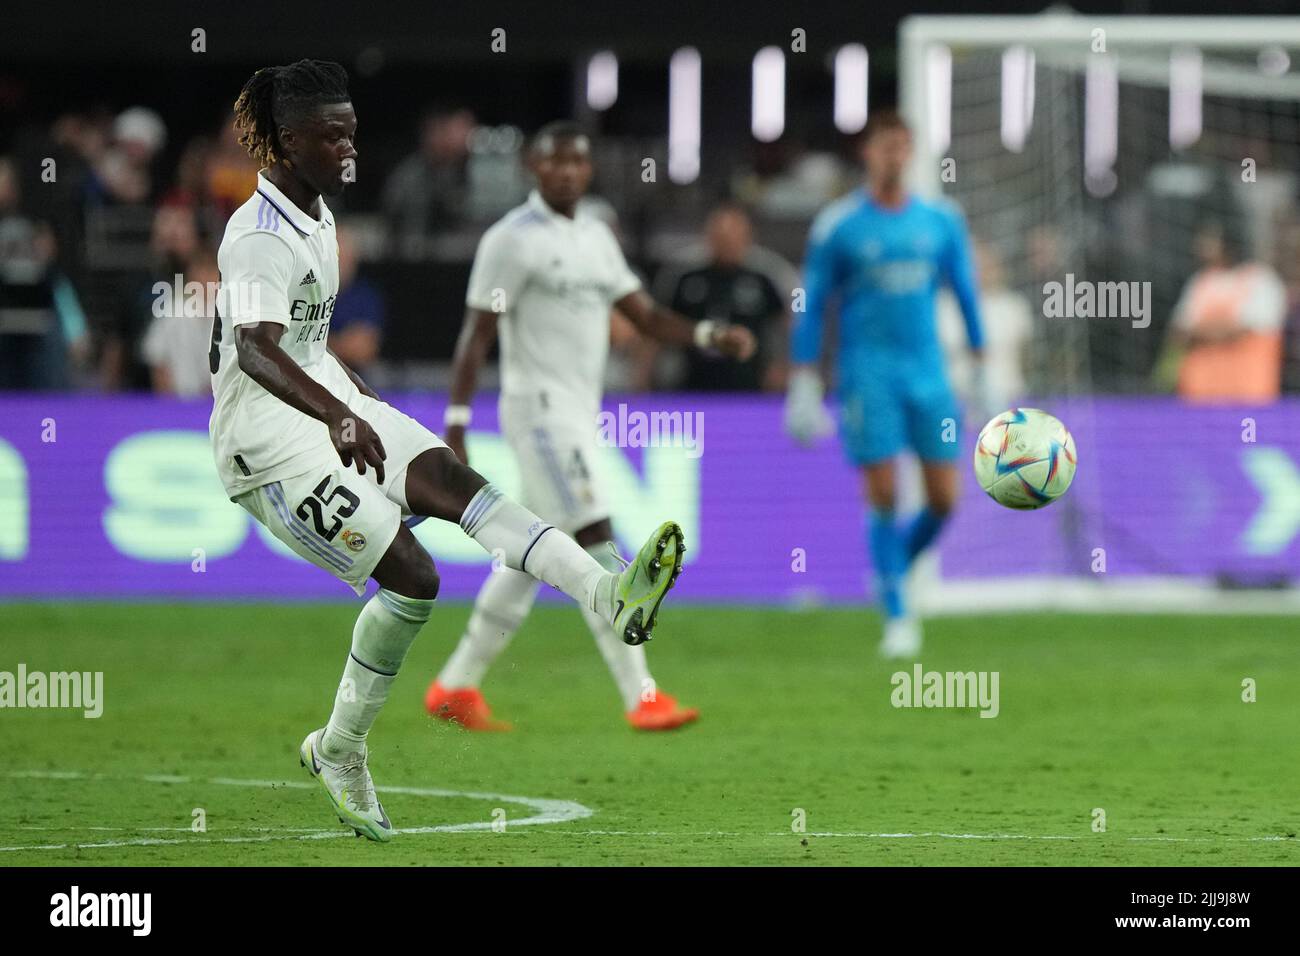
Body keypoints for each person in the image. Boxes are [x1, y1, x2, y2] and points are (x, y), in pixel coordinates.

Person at [212, 62, 686, 842]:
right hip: (266, 448)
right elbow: (257, 349)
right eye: (331, 136)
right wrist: (336, 414)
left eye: (353, 132)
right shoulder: (259, 234)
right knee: (413, 576)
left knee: (454, 479)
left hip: (332, 401)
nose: (348, 147)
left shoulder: (319, 213)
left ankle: (608, 595)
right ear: (288, 140)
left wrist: (352, 398)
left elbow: (302, 339)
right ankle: (342, 750)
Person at [424, 122, 755, 732]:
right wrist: (458, 419)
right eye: (556, 163)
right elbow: (478, 331)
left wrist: (709, 334)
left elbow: (646, 316)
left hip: (580, 415)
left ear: (589, 169)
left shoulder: (597, 237)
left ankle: (457, 685)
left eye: (578, 162)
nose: (568, 172)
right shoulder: (511, 240)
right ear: (534, 168)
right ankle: (642, 695)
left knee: (526, 559)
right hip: (540, 412)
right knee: (596, 540)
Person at [784, 110, 988, 659]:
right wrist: (803, 379)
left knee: (945, 498)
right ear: (866, 152)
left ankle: (892, 567)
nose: (894, 156)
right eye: (884, 147)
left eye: (903, 147)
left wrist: (982, 364)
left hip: (929, 374)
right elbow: (812, 306)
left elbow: (965, 292)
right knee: (883, 492)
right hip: (867, 375)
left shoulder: (942, 221)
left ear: (912, 151)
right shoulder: (839, 225)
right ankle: (899, 615)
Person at [655, 200, 790, 392]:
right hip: (691, 383)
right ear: (708, 237)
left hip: (752, 384)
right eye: (721, 238)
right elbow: (657, 323)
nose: (728, 245)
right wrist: (644, 377)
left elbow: (792, 321)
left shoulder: (768, 274)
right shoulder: (682, 275)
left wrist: (783, 366)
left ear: (748, 238)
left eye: (734, 238)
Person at [1167, 219, 1286, 404]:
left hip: (1249, 396)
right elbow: (1178, 332)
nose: (1201, 245)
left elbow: (1244, 330)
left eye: (1209, 239)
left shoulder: (1261, 279)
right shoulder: (1200, 281)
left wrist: (1202, 331)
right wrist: (1220, 329)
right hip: (1199, 397)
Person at [325, 224, 385, 380]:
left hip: (354, 382)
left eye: (346, 258)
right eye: (338, 258)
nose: (342, 265)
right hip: (310, 381)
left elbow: (364, 350)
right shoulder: (307, 291)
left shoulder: (365, 296)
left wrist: (322, 344)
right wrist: (343, 342)